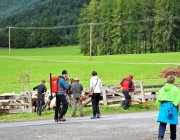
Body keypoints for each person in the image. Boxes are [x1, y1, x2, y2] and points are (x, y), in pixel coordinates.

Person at [156, 75, 180, 140]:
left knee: (162, 122)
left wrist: (159, 103)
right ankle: (173, 137)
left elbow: (158, 96)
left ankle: (160, 136)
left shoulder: (162, 89)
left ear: (167, 80)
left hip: (163, 106)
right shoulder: (176, 89)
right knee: (173, 123)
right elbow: (178, 100)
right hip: (172, 106)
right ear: (173, 81)